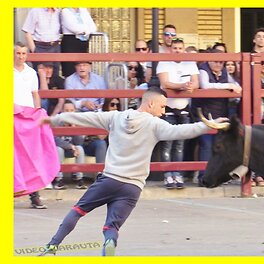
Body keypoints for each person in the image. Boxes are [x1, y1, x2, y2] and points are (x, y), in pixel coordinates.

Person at [37, 87, 229, 256]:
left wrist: (56, 119)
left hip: (109, 180)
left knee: (78, 211)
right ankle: (109, 245)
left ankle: (52, 247)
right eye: (162, 107)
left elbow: (84, 117)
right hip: (132, 187)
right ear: (151, 103)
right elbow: (182, 131)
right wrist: (208, 125)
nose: (163, 113)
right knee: (111, 227)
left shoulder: (115, 117)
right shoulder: (155, 125)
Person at [14, 42, 58, 209]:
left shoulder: (31, 73)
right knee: (12, 156)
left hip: (27, 117)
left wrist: (38, 110)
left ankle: (35, 195)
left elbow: (35, 94)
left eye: (24, 53)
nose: (21, 56)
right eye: (18, 53)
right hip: (11, 115)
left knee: (31, 155)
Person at [191, 48, 241, 186]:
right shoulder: (203, 70)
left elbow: (236, 86)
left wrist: (231, 86)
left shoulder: (224, 72)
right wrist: (227, 86)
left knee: (218, 146)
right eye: (216, 61)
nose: (219, 64)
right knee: (206, 144)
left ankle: (215, 176)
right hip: (205, 112)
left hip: (220, 112)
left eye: (221, 62)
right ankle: (202, 176)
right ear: (209, 60)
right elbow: (205, 86)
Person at [156, 37, 200, 189]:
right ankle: (168, 175)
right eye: (175, 48)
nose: (177, 51)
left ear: (183, 49)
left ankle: (178, 174)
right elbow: (165, 83)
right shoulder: (164, 62)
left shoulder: (190, 63)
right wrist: (182, 86)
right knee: (167, 144)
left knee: (180, 145)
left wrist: (190, 87)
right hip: (167, 108)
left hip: (184, 108)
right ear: (171, 49)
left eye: (180, 48)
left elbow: (196, 82)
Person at [53, 100, 86, 189]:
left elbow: (79, 142)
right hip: (62, 150)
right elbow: (55, 140)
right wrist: (70, 146)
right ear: (62, 112)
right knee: (58, 149)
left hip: (73, 151)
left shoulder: (78, 122)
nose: (69, 113)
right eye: (66, 110)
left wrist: (74, 128)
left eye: (71, 110)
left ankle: (79, 179)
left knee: (80, 148)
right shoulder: (57, 122)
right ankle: (59, 179)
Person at [22, 8, 62, 75]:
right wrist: (34, 51)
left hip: (55, 46)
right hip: (40, 47)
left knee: (54, 74)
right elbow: (27, 33)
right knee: (40, 74)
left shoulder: (58, 12)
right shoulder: (35, 11)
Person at [60, 8, 97, 78]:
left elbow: (93, 27)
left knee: (82, 68)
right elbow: (74, 28)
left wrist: (85, 31)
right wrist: (87, 30)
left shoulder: (83, 10)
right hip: (70, 43)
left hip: (83, 44)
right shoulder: (65, 11)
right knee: (70, 70)